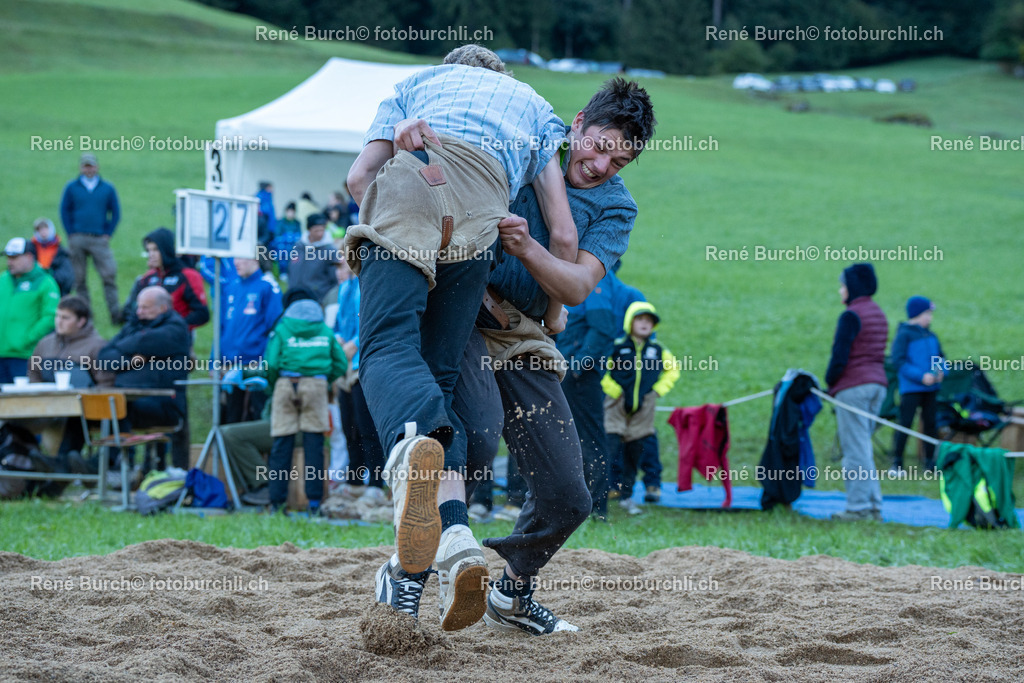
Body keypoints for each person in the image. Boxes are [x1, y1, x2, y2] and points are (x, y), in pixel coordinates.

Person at [375, 75, 655, 635]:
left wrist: (527, 247)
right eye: (599, 147)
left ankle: (512, 593)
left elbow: (576, 287)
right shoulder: (523, 144)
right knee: (470, 441)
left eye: (617, 163)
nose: (601, 167)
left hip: (525, 335)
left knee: (567, 495)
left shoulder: (617, 209)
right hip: (464, 316)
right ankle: (407, 575)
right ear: (578, 124)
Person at [345, 45, 579, 617]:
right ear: (501, 76)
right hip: (482, 216)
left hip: (413, 179)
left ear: (453, 70)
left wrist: (387, 233)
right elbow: (565, 234)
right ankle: (453, 531)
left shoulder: (418, 83)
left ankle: (411, 453)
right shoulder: (536, 106)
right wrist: (554, 317)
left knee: (386, 347)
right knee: (443, 375)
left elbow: (358, 177)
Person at [263, 288, 347, 515]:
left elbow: (270, 363)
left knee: (281, 445)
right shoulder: (324, 329)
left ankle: (276, 504)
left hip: (285, 383)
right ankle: (314, 504)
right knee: (314, 446)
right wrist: (324, 382)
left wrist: (275, 386)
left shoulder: (282, 328)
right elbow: (340, 362)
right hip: (316, 386)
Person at [97, 286, 191, 469]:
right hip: (130, 399)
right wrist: (131, 362)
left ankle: (112, 465)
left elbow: (144, 341)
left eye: (145, 308)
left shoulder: (176, 329)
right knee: (91, 411)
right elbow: (104, 357)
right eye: (138, 307)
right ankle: (65, 464)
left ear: (163, 308)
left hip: (163, 404)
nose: (139, 312)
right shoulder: (134, 325)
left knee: (119, 408)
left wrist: (123, 347)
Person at [558, 271, 626, 520]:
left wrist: (579, 365)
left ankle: (596, 508)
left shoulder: (595, 278)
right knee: (567, 436)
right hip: (565, 368)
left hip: (579, 375)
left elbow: (603, 328)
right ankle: (573, 505)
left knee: (589, 438)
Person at [825, 263, 889, 521]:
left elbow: (839, 356)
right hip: (878, 386)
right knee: (864, 448)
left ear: (852, 287)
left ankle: (858, 507)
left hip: (854, 387)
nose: (840, 290)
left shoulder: (851, 315)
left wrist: (830, 383)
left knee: (854, 451)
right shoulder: (878, 312)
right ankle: (873, 505)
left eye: (843, 285)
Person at [601, 301, 679, 513]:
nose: (645, 324)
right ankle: (600, 493)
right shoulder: (617, 346)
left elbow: (673, 370)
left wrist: (658, 391)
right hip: (616, 407)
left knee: (634, 452)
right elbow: (601, 367)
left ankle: (627, 495)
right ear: (630, 322)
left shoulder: (657, 350)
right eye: (640, 319)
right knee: (609, 448)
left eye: (649, 321)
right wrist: (612, 389)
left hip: (643, 409)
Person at [28, 296, 115, 455]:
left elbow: (106, 383)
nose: (58, 322)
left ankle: (60, 468)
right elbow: (33, 373)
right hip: (45, 406)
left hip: (80, 410)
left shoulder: (97, 346)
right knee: (12, 422)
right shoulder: (45, 343)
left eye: (65, 318)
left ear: (81, 321)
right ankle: (23, 463)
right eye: (57, 316)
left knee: (74, 422)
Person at [332, 260, 386, 502]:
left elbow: (374, 320)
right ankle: (354, 481)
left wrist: (354, 343)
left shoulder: (369, 283)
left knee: (368, 428)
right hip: (345, 364)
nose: (340, 268)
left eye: (342, 262)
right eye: (337, 264)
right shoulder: (344, 288)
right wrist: (340, 343)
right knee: (349, 428)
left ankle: (376, 483)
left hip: (364, 364)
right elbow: (338, 326)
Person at [59, 153, 122, 324]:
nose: (89, 169)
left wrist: (108, 232)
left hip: (99, 238)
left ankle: (116, 314)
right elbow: (64, 210)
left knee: (109, 275)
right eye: (86, 166)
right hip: (77, 237)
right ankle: (85, 317)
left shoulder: (107, 188)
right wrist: (70, 232)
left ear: (97, 167)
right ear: (81, 167)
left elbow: (115, 212)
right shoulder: (72, 187)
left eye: (91, 166)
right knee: (79, 279)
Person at [218, 258, 282, 424]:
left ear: (255, 259)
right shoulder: (231, 286)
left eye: (241, 257)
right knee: (231, 417)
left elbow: (274, 328)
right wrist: (214, 361)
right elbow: (221, 327)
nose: (235, 262)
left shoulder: (268, 286)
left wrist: (265, 363)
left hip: (255, 367)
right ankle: (230, 451)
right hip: (229, 366)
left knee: (257, 415)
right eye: (234, 258)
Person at [890, 296, 945, 473]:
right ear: (916, 314)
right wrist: (921, 376)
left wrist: (941, 371)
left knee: (930, 423)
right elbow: (898, 361)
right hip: (911, 388)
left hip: (931, 388)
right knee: (905, 423)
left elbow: (940, 357)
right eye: (927, 313)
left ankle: (930, 462)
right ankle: (897, 462)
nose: (930, 318)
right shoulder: (904, 335)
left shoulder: (931, 335)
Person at [123, 228, 210, 332]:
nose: (151, 255)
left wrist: (172, 328)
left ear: (166, 249)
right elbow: (132, 312)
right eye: (148, 250)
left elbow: (202, 314)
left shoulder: (188, 276)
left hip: (176, 340)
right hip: (145, 338)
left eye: (155, 249)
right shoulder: (147, 278)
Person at [0, 238, 60, 384]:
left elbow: (50, 316)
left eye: (14, 257)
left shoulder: (45, 282)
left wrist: (26, 339)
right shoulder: (3, 280)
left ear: (29, 257)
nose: (9, 262)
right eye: (8, 257)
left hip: (25, 356)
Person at [287, 214, 341, 301]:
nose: (320, 234)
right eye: (316, 231)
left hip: (318, 298)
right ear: (309, 230)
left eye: (322, 230)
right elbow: (290, 270)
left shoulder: (330, 250)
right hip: (296, 296)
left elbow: (334, 278)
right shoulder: (298, 247)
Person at [31, 218, 74, 296]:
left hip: (56, 286)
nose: (43, 232)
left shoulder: (60, 251)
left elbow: (66, 274)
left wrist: (50, 277)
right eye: (40, 229)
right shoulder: (32, 249)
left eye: (45, 228)